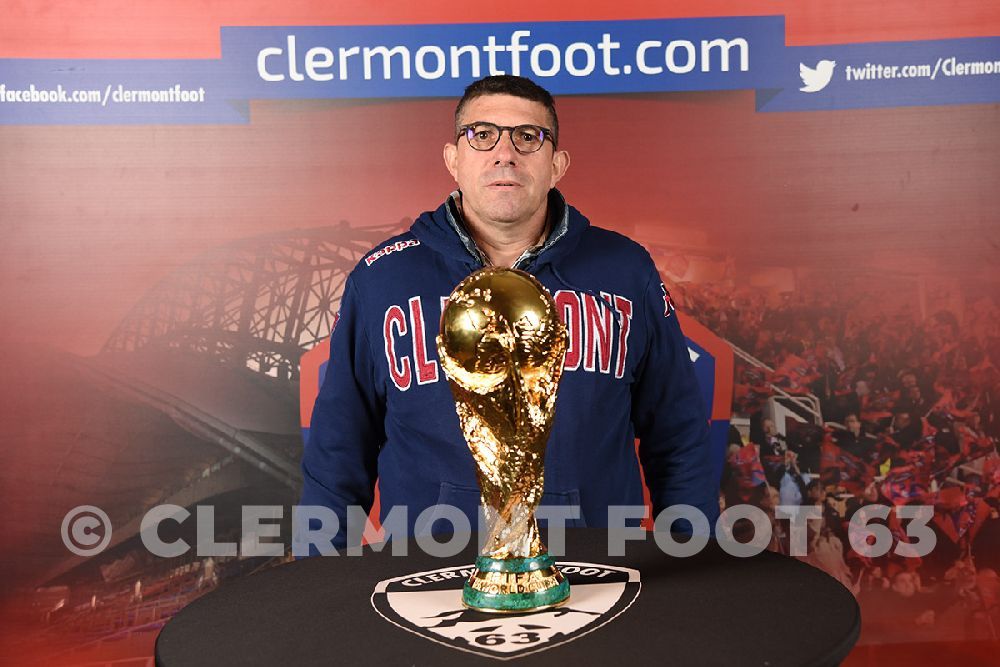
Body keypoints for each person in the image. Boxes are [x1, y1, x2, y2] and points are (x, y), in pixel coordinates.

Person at [298, 75, 716, 553]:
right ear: (453, 159)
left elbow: (678, 435)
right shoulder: (383, 278)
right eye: (482, 135)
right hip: (429, 573)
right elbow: (338, 451)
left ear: (557, 164)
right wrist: (319, 580)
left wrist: (694, 560)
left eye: (527, 136)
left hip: (598, 568)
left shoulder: (624, 269)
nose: (505, 153)